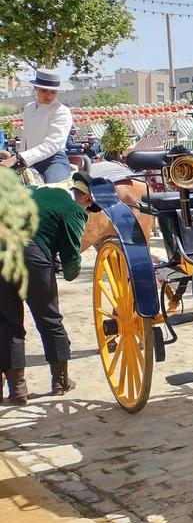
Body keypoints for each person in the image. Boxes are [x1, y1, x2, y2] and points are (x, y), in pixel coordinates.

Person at [0, 172, 93, 405]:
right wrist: (72, 273)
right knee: (49, 319)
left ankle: (17, 388)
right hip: (32, 256)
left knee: (8, 323)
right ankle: (60, 382)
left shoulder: (33, 191)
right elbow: (71, 257)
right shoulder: (74, 210)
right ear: (85, 197)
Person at [1, 69, 74, 184]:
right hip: (27, 159)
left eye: (53, 92)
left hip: (53, 160)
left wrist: (19, 157)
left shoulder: (62, 111)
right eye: (44, 90)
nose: (49, 95)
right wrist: (18, 157)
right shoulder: (28, 108)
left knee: (54, 190)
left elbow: (52, 144)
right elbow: (25, 138)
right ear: (35, 88)